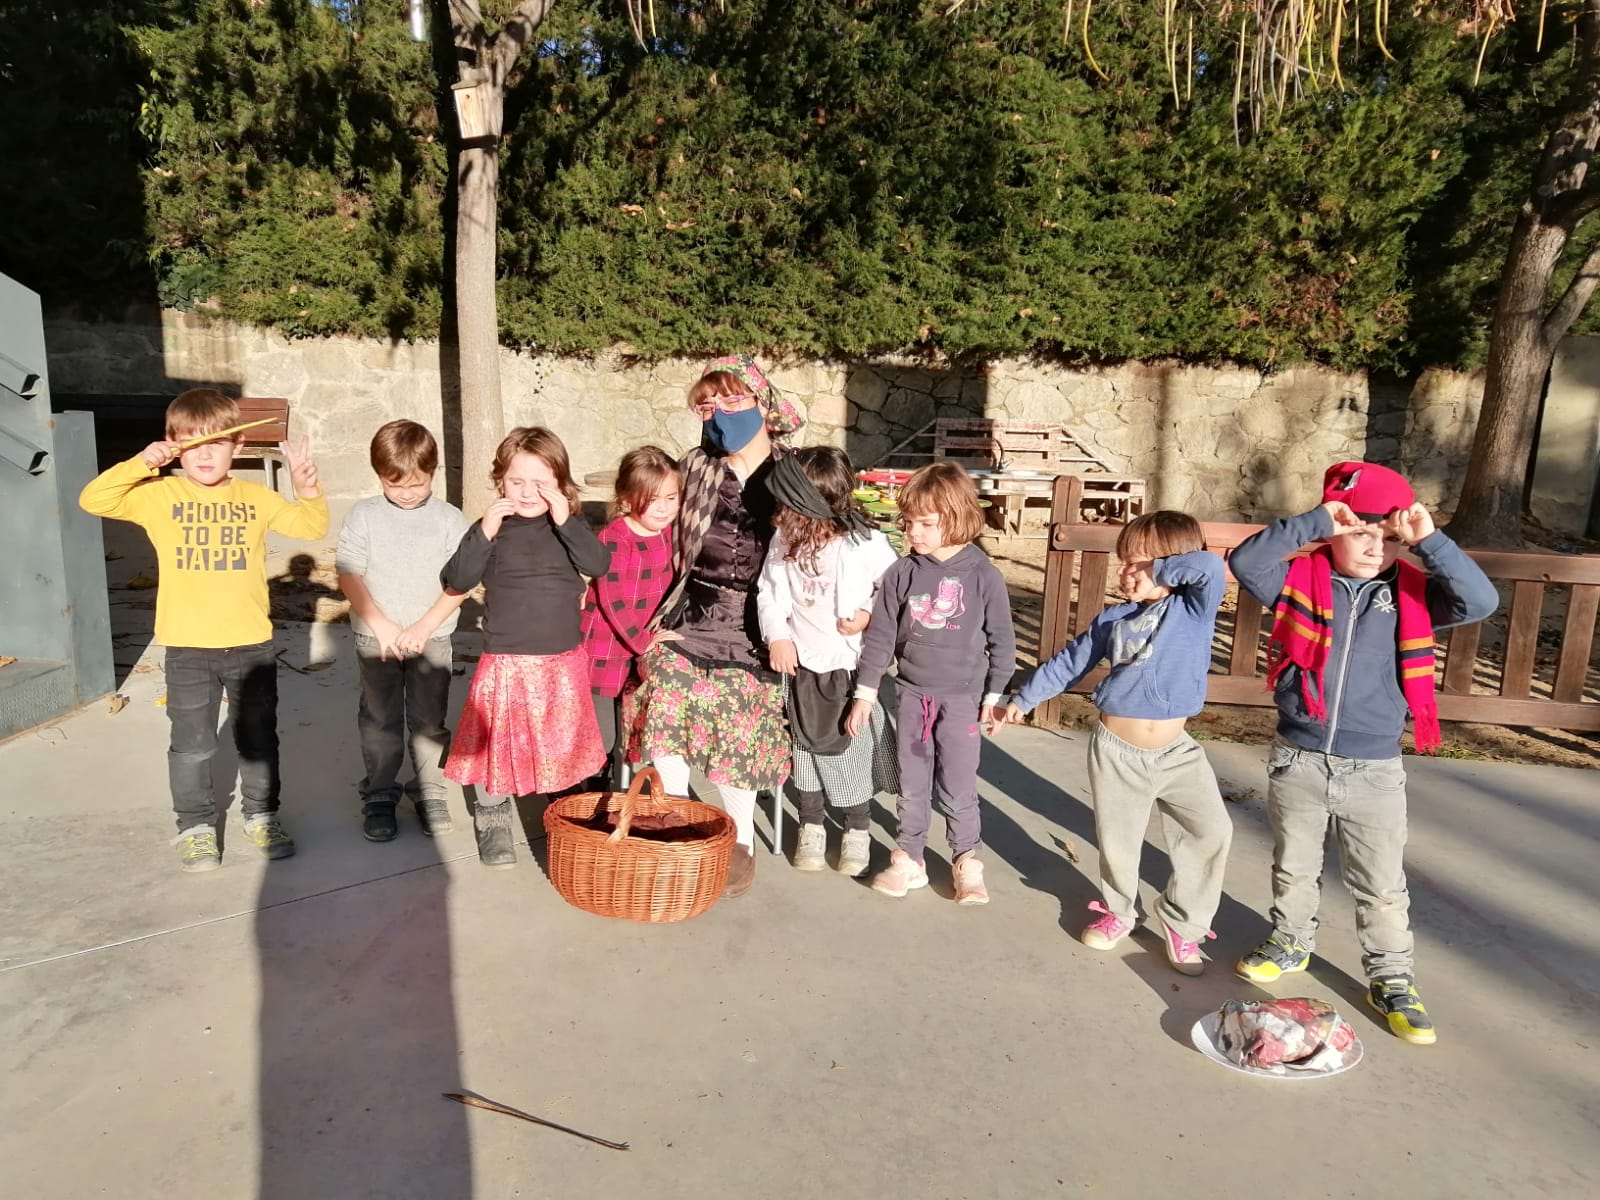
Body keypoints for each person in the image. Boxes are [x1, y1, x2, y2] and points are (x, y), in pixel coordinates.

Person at [1230, 462, 1498, 1045]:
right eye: (1360, 532)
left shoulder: (1412, 593)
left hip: (1373, 769)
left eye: (1388, 537)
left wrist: (1430, 541)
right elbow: (1246, 562)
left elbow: (1480, 600)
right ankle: (1291, 941)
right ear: (1334, 530)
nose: (1376, 547)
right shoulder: (1298, 582)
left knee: (1379, 883)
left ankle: (1391, 977)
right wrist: (1315, 521)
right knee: (1294, 866)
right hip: (1299, 757)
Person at [78, 388, 328, 871]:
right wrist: (142, 463)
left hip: (251, 644)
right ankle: (194, 826)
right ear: (174, 445)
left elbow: (311, 528)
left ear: (238, 446)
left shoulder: (256, 498)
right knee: (192, 745)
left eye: (216, 442)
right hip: (188, 646)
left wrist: (307, 489)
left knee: (258, 739)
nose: (205, 454)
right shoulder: (158, 496)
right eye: (191, 443)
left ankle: (262, 815)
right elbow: (94, 499)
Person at [1002, 511, 1232, 974]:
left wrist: (1158, 571)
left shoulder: (1192, 610)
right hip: (1117, 753)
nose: (1126, 573)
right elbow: (1070, 663)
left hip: (1177, 753)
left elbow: (1208, 566)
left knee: (1211, 832)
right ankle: (1119, 912)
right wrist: (1023, 699)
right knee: (1119, 841)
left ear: (1171, 566)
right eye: (1123, 563)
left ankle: (1184, 925)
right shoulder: (1116, 618)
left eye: (1138, 563)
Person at [637, 355, 805, 897]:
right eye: (708, 405)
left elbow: (827, 545)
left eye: (733, 400)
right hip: (692, 614)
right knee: (665, 687)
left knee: (738, 707)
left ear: (762, 403)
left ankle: (737, 839)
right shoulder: (695, 467)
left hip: (763, 626)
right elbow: (647, 525)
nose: (720, 413)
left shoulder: (793, 473)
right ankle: (677, 817)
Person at [441, 427, 612, 869]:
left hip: (561, 661)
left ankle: (567, 813)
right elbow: (457, 579)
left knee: (562, 742)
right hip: (508, 661)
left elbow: (597, 564)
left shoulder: (567, 528)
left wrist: (566, 521)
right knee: (496, 744)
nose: (528, 492)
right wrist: (485, 530)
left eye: (541, 482)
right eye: (516, 481)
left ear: (560, 483)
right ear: (500, 481)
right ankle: (493, 815)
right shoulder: (492, 530)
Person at [846, 462, 1016, 905]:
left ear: (955, 517)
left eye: (925, 523)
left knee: (957, 785)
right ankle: (910, 858)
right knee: (913, 783)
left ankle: (967, 859)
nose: (912, 532)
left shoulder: (984, 576)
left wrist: (995, 696)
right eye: (908, 522)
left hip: (962, 700)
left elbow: (1002, 641)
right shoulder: (902, 573)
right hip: (911, 696)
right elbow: (881, 637)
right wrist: (865, 693)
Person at [757, 446, 900, 877]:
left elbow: (894, 590)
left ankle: (857, 827)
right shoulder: (784, 541)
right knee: (803, 750)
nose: (780, 510)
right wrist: (777, 636)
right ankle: (812, 823)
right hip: (799, 663)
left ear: (810, 502)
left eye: (788, 501)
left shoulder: (866, 543)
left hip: (847, 665)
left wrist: (869, 613)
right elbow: (769, 592)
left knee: (849, 750)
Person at [335, 420, 470, 843]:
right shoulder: (364, 516)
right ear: (379, 474)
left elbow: (461, 581)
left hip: (432, 638)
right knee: (380, 718)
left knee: (429, 719)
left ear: (433, 471)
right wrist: (380, 624)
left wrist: (426, 625)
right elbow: (349, 573)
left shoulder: (449, 520)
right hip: (376, 640)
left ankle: (429, 791)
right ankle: (379, 793)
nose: (407, 493)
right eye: (395, 485)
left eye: (418, 483)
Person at [579, 445, 680, 791]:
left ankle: (617, 792)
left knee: (629, 734)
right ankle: (590, 797)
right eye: (652, 500)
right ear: (626, 500)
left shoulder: (669, 533)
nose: (663, 508)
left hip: (639, 651)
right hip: (604, 650)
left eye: (671, 497)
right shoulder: (614, 539)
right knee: (602, 736)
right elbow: (613, 600)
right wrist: (643, 641)